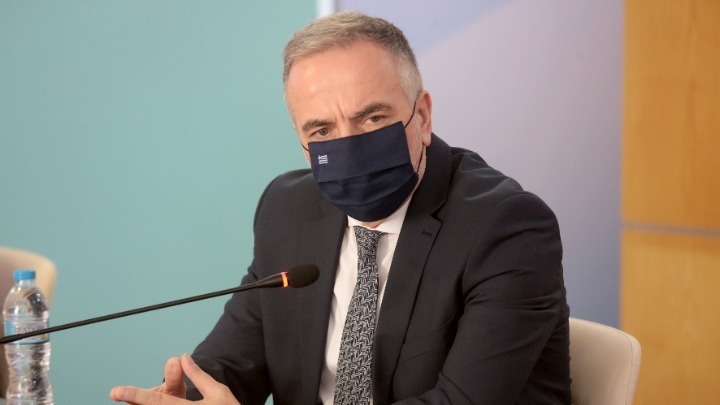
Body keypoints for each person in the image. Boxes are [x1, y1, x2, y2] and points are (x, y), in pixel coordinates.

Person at [111, 11, 571, 405]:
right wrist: (189, 397)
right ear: (301, 140)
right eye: (322, 131)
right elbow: (233, 361)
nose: (348, 145)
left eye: (372, 118)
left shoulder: (505, 228)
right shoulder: (288, 209)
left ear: (422, 115)